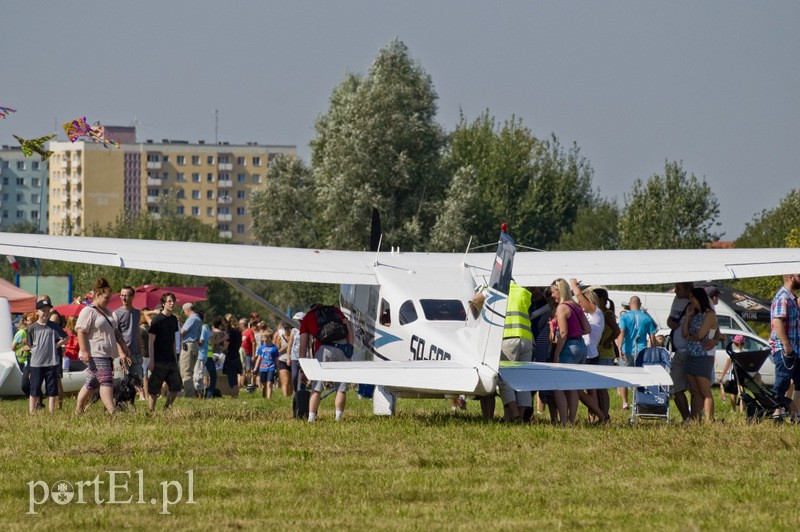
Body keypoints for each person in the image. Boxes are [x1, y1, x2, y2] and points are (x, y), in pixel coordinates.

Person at [75, 278, 132, 415]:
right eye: (106, 298)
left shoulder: (108, 311)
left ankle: (79, 409)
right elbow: (80, 331)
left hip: (107, 353)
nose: (108, 300)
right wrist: (83, 351)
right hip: (95, 352)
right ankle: (112, 411)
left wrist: (124, 346)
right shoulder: (88, 311)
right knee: (106, 380)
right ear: (97, 295)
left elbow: (115, 331)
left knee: (92, 382)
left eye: (110, 298)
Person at [299, 303, 354, 422]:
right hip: (343, 348)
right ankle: (338, 418)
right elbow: (348, 328)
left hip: (324, 350)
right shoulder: (335, 310)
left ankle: (311, 418)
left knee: (317, 387)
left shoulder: (308, 317)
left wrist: (302, 365)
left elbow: (303, 344)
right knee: (341, 387)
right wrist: (350, 347)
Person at [550, 278, 591, 425]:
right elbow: (588, 329)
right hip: (581, 346)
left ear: (559, 292)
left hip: (568, 348)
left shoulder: (561, 308)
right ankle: (571, 420)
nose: (552, 295)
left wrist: (556, 354)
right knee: (573, 387)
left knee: (558, 386)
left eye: (553, 292)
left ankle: (563, 420)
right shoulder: (576, 306)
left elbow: (563, 333)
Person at [569, 280, 608, 423]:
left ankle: (601, 415)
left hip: (589, 355)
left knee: (579, 390)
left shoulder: (596, 313)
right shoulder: (588, 315)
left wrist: (574, 287)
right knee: (591, 390)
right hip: (589, 354)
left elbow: (578, 296)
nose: (580, 304)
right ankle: (593, 418)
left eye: (583, 301)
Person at [682, 287, 718, 422]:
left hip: (703, 356)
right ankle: (695, 419)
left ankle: (709, 420)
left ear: (699, 298)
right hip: (691, 355)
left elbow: (700, 335)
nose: (690, 300)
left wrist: (692, 337)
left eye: (692, 297)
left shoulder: (709, 314)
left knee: (705, 392)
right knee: (695, 391)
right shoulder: (696, 314)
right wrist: (687, 317)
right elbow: (684, 334)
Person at [616, 296, 657, 410]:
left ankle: (625, 403)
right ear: (640, 304)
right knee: (641, 377)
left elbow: (622, 333)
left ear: (630, 304)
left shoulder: (624, 317)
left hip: (627, 351)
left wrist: (619, 348)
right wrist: (652, 350)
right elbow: (652, 337)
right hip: (642, 351)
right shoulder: (647, 318)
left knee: (623, 377)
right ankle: (640, 400)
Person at [26, 298, 66, 413]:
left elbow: (66, 337)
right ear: (37, 312)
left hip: (51, 362)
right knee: (34, 388)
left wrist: (55, 346)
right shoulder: (32, 328)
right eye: (43, 310)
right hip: (36, 363)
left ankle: (51, 411)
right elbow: (30, 344)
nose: (46, 312)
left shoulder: (54, 326)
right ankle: (32, 411)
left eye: (48, 310)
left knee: (52, 389)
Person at [769, 273, 800, 419]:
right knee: (781, 383)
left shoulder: (792, 298)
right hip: (785, 349)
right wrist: (786, 345)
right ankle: (775, 414)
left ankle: (796, 414)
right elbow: (777, 322)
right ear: (791, 277)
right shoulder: (783, 297)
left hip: (795, 349)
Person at [147, 293, 182, 412]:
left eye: (173, 301)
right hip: (159, 360)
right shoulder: (157, 320)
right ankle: (151, 411)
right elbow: (151, 341)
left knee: (176, 385)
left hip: (171, 359)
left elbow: (173, 340)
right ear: (163, 304)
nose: (172, 303)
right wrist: (151, 360)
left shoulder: (173, 320)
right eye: (169, 301)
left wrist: (175, 358)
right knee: (154, 388)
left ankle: (167, 407)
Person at [667, 282, 693, 420]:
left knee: (695, 389)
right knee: (676, 387)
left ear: (688, 289)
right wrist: (670, 323)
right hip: (678, 352)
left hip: (691, 353)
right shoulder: (676, 299)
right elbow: (670, 319)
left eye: (678, 288)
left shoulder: (695, 303)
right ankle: (686, 418)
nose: (675, 291)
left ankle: (697, 418)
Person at [114, 286, 145, 400]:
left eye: (126, 295)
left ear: (132, 296)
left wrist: (141, 351)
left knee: (138, 380)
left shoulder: (137, 312)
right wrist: (120, 352)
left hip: (135, 353)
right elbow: (115, 335)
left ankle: (134, 403)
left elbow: (137, 333)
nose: (123, 297)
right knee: (121, 382)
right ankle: (117, 406)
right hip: (122, 354)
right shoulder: (116, 313)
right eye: (122, 295)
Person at [593, 288, 619, 421]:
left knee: (602, 388)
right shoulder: (600, 313)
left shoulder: (607, 314)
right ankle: (601, 414)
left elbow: (617, 331)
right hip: (600, 354)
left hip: (606, 354)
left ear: (601, 300)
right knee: (598, 388)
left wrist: (607, 341)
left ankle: (605, 415)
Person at [179, 302, 203, 397]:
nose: (184, 314)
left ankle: (189, 395)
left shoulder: (191, 318)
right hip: (196, 345)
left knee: (186, 372)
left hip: (188, 346)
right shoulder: (199, 319)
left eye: (184, 312)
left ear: (187, 310)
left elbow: (182, 332)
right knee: (193, 371)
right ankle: (194, 393)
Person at [206, 317, 227, 398]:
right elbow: (225, 345)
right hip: (220, 355)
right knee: (217, 374)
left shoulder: (210, 333)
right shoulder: (223, 334)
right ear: (220, 325)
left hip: (211, 354)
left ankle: (207, 388)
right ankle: (215, 389)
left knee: (207, 374)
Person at [223, 314, 243, 398]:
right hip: (236, 355)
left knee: (232, 379)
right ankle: (236, 396)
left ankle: (233, 397)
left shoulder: (230, 332)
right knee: (235, 377)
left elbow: (226, 345)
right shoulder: (239, 331)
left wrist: (222, 349)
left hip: (230, 356)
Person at [255, 330, 278, 399]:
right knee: (264, 385)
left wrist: (277, 369)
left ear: (269, 338)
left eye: (264, 337)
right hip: (262, 368)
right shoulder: (261, 348)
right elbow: (259, 358)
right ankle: (264, 394)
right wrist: (255, 368)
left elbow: (276, 360)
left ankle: (269, 399)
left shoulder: (274, 348)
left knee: (269, 383)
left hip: (271, 367)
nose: (263, 339)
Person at [194, 310, 211, 398]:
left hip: (200, 355)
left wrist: (192, 340)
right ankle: (199, 393)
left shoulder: (202, 327)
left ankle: (199, 394)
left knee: (198, 376)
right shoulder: (204, 327)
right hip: (202, 355)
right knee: (199, 374)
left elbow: (201, 341)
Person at [276, 321, 294, 398]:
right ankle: (285, 397)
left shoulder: (293, 337)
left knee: (292, 381)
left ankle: (291, 396)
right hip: (283, 360)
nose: (287, 329)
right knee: (285, 381)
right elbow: (277, 351)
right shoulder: (280, 338)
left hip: (293, 359)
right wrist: (286, 347)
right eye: (286, 328)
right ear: (283, 328)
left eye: (288, 328)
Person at [289, 312, 306, 391]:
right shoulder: (293, 331)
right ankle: (295, 392)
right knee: (295, 376)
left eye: (297, 320)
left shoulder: (307, 330)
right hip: (294, 356)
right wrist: (289, 357)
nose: (295, 322)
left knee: (303, 376)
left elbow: (309, 345)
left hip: (305, 356)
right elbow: (290, 344)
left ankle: (302, 392)